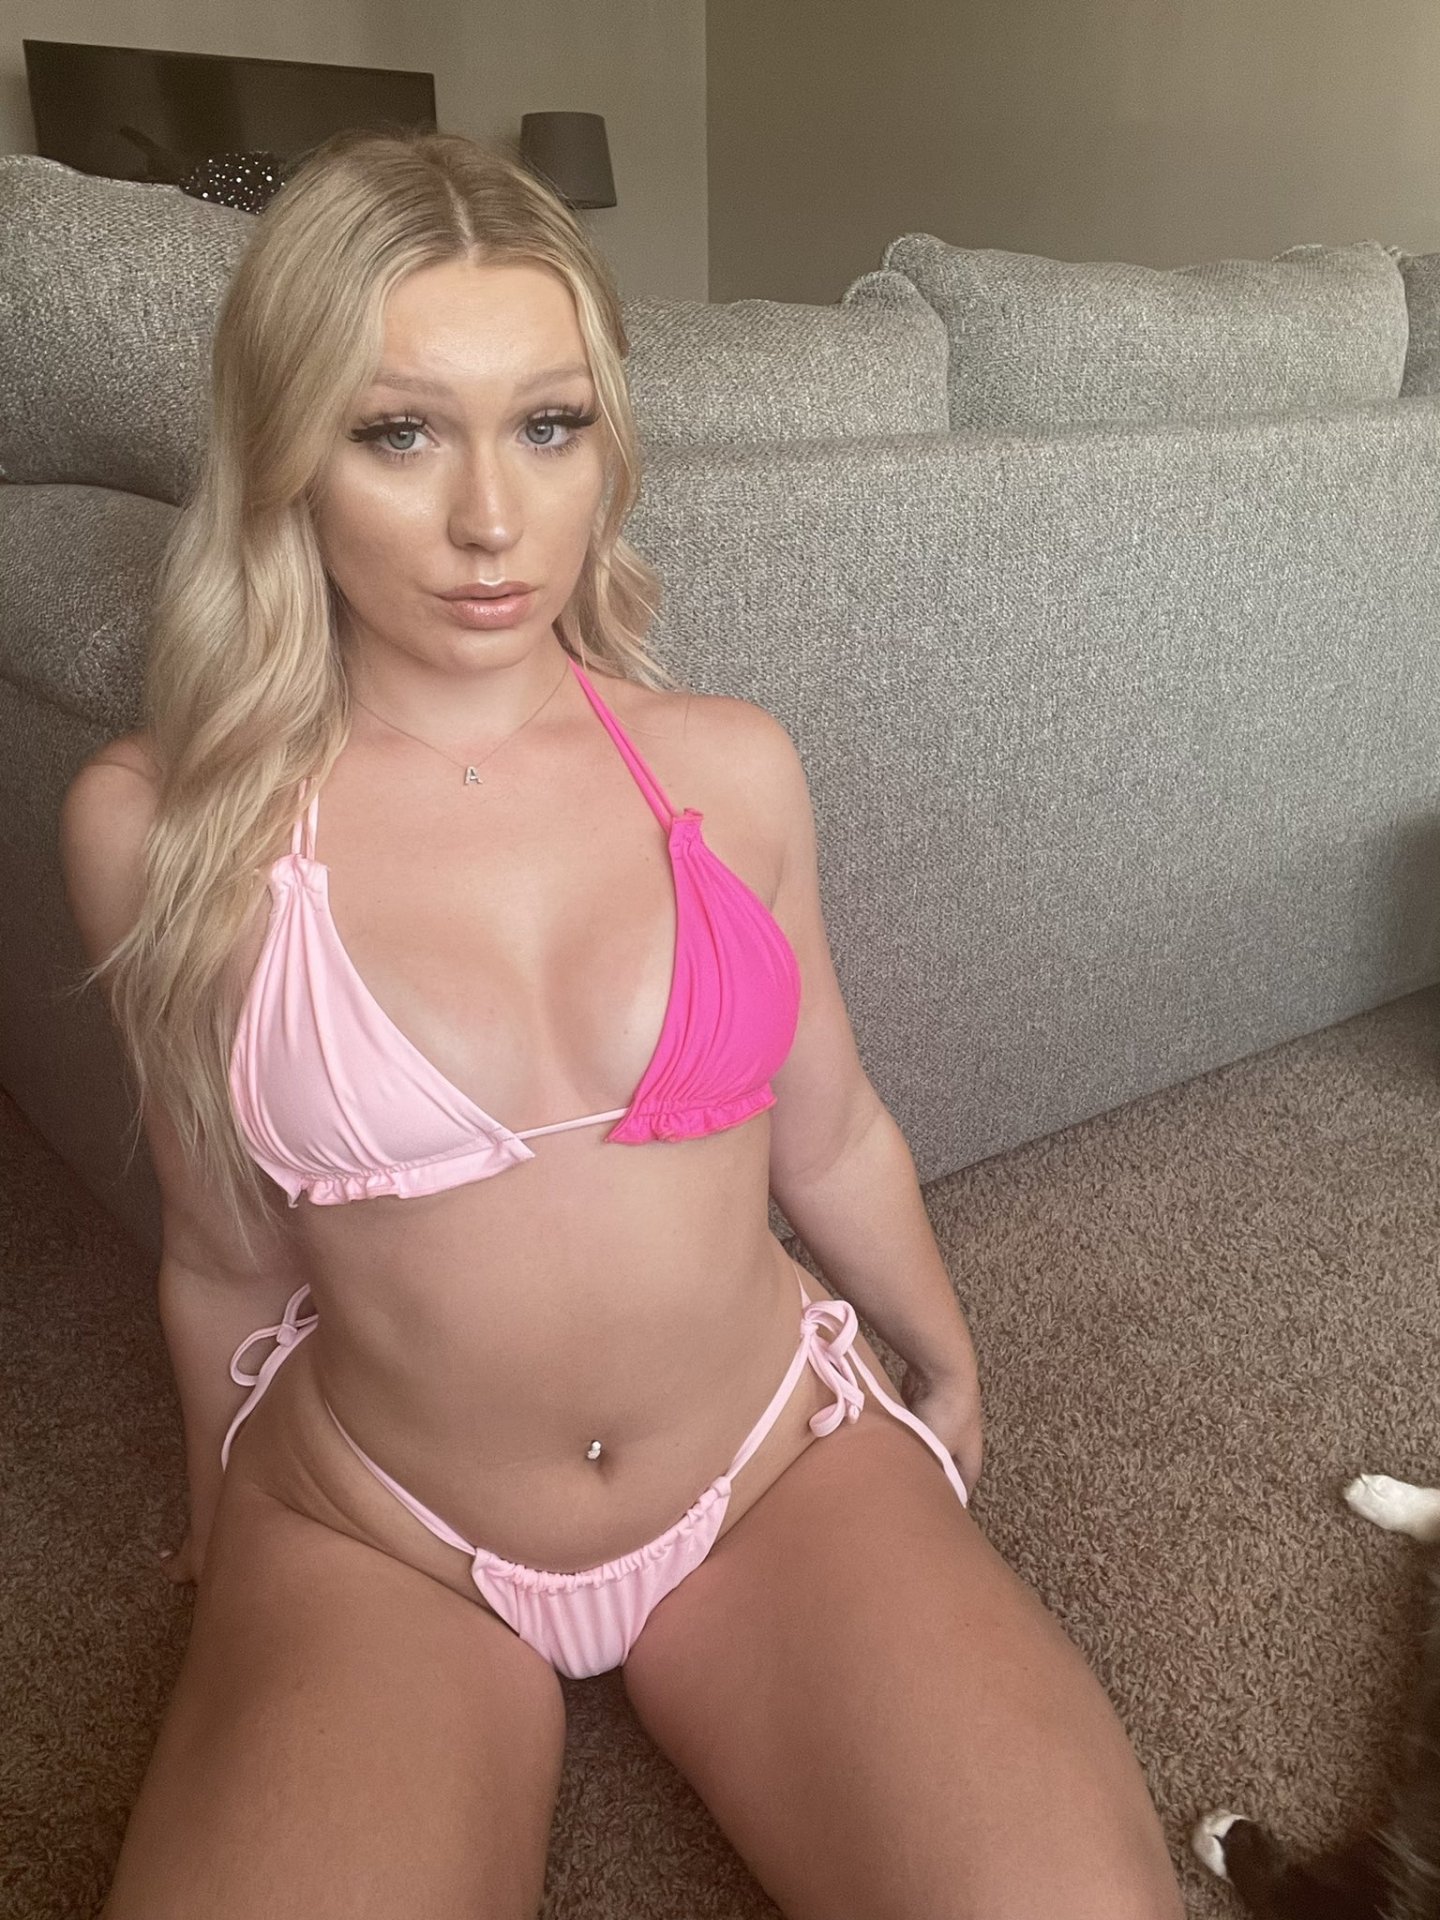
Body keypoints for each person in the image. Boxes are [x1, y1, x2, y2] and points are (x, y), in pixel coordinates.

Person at [59, 127, 1185, 1919]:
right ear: (284, 458)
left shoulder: (728, 770)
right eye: (398, 432)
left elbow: (830, 1129)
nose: (491, 520)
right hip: (379, 1522)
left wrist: (944, 1354)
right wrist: (223, 1528)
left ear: (608, 444)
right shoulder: (161, 828)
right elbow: (220, 1252)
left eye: (549, 424)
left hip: (768, 1464)